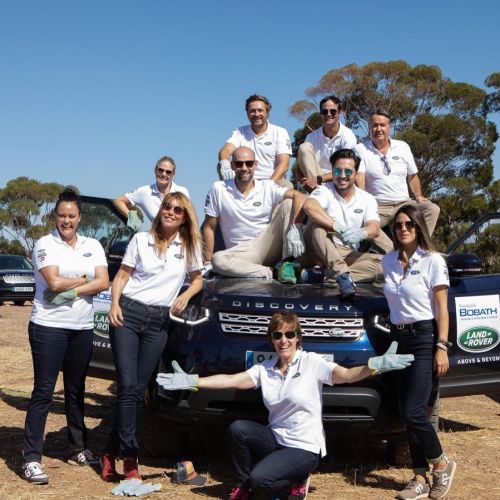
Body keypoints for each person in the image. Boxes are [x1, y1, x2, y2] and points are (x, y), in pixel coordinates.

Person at [156, 311, 414, 500]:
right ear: (271, 339)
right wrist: (194, 381)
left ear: (298, 338)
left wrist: (373, 366)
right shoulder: (265, 369)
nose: (284, 340)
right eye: (277, 335)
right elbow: (232, 379)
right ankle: (242, 486)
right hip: (276, 440)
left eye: (290, 334)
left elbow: (346, 375)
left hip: (304, 447)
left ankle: (294, 484)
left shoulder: (312, 363)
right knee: (238, 429)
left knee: (262, 479)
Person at [101, 192, 203, 482]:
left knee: (135, 393)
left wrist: (185, 295)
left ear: (185, 217)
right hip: (128, 315)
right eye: (167, 207)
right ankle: (130, 459)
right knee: (127, 385)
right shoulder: (140, 240)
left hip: (159, 321)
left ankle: (109, 452)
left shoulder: (189, 246)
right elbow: (121, 276)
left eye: (178, 210)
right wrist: (114, 304)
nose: (171, 212)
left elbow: (198, 279)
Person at [22, 189, 109, 484]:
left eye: (71, 216)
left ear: (80, 217)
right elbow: (53, 281)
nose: (66, 221)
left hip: (82, 327)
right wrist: (85, 280)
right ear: (55, 216)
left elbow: (105, 281)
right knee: (44, 391)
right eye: (62, 215)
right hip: (48, 326)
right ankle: (32, 458)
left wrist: (72, 289)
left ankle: (77, 448)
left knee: (75, 391)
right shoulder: (45, 244)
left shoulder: (92, 244)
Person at [382, 204, 456, 500]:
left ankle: (442, 462)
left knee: (415, 410)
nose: (403, 229)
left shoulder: (433, 260)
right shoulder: (387, 261)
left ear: (419, 228)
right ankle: (419, 478)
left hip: (425, 337)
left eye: (409, 224)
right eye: (398, 225)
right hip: (398, 339)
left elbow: (442, 309)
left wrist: (442, 346)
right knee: (407, 412)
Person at [204, 146, 307, 282]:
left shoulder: (267, 186)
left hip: (264, 244)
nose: (244, 168)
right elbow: (209, 227)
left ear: (255, 165)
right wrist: (206, 263)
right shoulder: (218, 188)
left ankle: (288, 263)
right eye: (239, 164)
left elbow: (298, 195)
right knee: (217, 260)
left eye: (249, 163)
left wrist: (296, 227)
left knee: (288, 203)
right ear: (232, 166)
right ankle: (274, 272)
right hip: (239, 254)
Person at [355, 109, 440, 253]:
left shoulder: (402, 147)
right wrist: (363, 203)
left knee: (432, 209)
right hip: (378, 206)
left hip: (403, 203)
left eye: (382, 125)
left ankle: (419, 250)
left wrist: (418, 196)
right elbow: (360, 178)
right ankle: (398, 255)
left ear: (389, 126)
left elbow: (412, 176)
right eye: (374, 125)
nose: (378, 129)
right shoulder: (360, 149)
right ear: (370, 128)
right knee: (363, 222)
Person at [302, 148, 382, 298]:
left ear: (356, 175)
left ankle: (323, 276)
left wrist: (361, 233)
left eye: (348, 172)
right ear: (332, 172)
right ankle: (342, 274)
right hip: (319, 248)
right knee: (318, 227)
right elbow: (309, 206)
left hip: (346, 252)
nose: (342, 176)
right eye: (337, 172)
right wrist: (336, 226)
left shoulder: (367, 198)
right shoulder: (324, 190)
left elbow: (375, 228)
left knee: (386, 264)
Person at [217, 94, 293, 187]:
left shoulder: (280, 132)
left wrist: (267, 187)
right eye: (252, 111)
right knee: (221, 165)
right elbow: (225, 150)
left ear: (267, 112)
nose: (256, 114)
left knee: (289, 194)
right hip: (245, 182)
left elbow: (284, 165)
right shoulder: (239, 132)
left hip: (274, 181)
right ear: (247, 113)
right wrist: (225, 163)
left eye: (260, 110)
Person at [297, 95, 357, 192]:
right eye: (325, 112)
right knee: (304, 147)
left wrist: (319, 179)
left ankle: (320, 195)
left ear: (339, 113)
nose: (329, 114)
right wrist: (305, 183)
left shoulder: (347, 136)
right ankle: (319, 194)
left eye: (333, 111)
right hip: (316, 183)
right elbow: (299, 167)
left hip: (339, 181)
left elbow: (347, 168)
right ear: (321, 114)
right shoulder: (311, 137)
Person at [113, 156, 190, 230]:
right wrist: (130, 216)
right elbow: (118, 201)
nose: (163, 174)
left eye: (168, 172)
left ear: (173, 174)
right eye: (160, 170)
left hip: (180, 239)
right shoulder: (145, 192)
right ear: (155, 170)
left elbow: (189, 219)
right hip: (158, 240)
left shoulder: (182, 191)